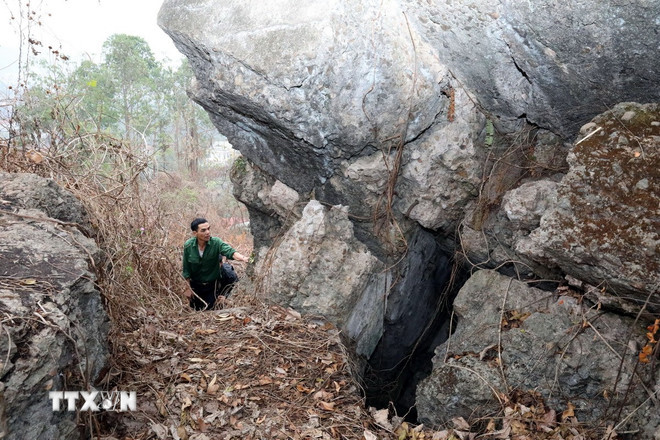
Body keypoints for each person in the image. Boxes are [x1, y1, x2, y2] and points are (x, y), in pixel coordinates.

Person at [182, 217, 249, 310]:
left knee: (210, 311)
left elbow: (230, 252)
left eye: (208, 229)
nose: (208, 232)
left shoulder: (216, 243)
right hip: (195, 287)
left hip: (211, 287)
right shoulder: (188, 246)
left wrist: (244, 258)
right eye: (203, 230)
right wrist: (188, 288)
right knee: (195, 311)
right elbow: (186, 269)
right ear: (195, 233)